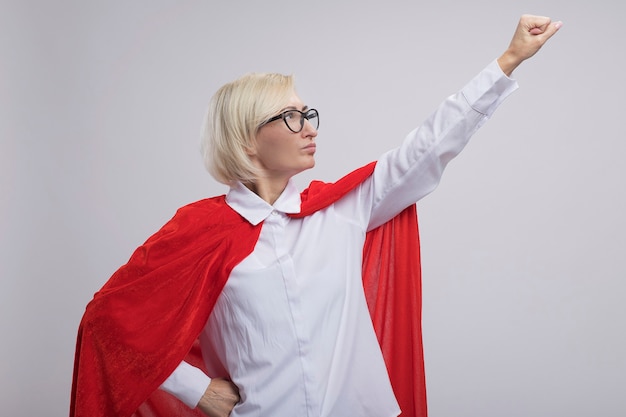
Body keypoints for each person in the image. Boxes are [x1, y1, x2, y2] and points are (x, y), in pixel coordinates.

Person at [70, 14, 562, 417]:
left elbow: (429, 147)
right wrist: (197, 389)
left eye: (308, 114)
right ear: (246, 138)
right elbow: (107, 321)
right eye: (290, 117)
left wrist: (509, 60)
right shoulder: (199, 231)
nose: (309, 128)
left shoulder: (342, 209)